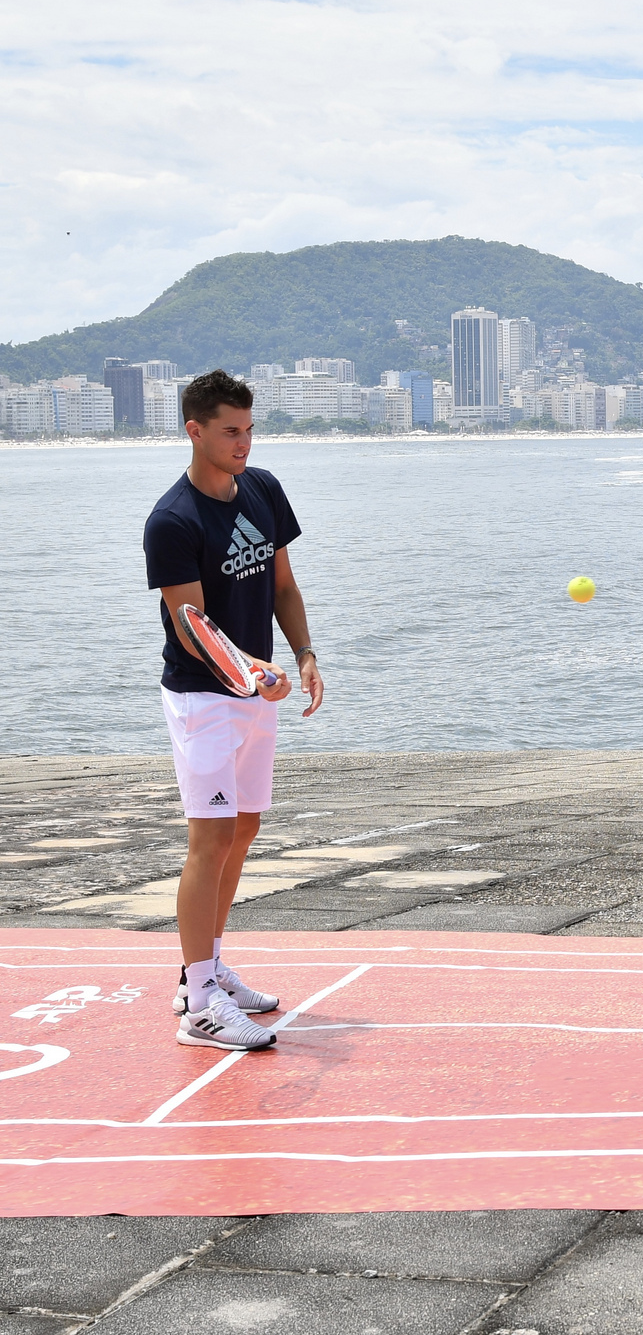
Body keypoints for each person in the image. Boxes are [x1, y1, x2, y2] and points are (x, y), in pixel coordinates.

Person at [143, 370, 325, 1051]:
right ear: (195, 431)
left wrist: (303, 653)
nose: (243, 443)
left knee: (244, 828)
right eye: (230, 432)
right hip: (204, 700)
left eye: (249, 430)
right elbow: (192, 626)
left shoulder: (263, 489)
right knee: (211, 839)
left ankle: (207, 968)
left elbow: (283, 585)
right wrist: (253, 670)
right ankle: (199, 1006)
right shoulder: (172, 521)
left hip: (255, 693)